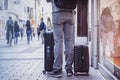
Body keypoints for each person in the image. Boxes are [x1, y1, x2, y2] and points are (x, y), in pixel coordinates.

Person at [46, 0, 75, 77]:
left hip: (58, 13)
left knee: (58, 41)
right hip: (70, 13)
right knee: (69, 41)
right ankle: (69, 69)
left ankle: (57, 69)